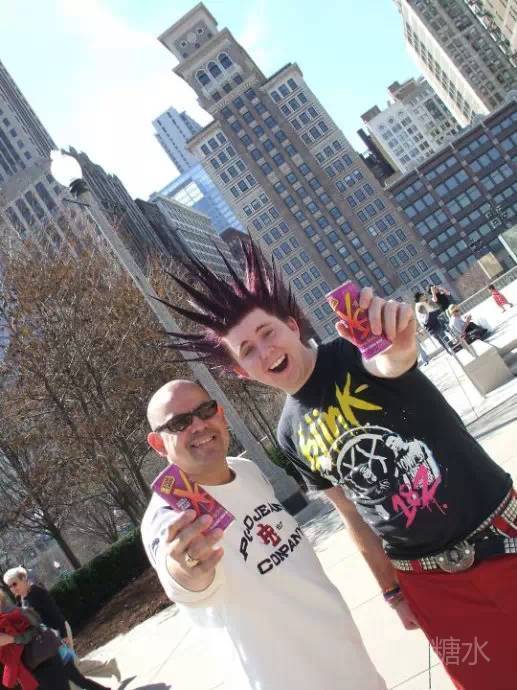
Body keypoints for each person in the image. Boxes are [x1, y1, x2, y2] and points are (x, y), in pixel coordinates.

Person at [161, 243, 517, 690]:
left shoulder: (354, 352)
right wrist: (391, 591)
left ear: (292, 326)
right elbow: (351, 512)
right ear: (241, 372)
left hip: (504, 539)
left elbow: (391, 361)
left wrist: (400, 343)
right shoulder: (289, 434)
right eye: (247, 350)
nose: (265, 351)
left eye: (268, 332)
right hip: (430, 586)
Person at [141, 379, 386, 690]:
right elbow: (185, 581)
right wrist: (184, 571)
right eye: (179, 423)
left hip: (349, 659)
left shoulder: (245, 469)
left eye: (205, 410)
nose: (199, 425)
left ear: (220, 413)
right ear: (159, 444)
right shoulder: (169, 517)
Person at [2, 568, 111, 690]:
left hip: (56, 638)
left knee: (76, 676)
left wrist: (63, 635)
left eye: (14, 584)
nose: (13, 588)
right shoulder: (22, 600)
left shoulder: (37, 593)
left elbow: (54, 613)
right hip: (48, 643)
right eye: (10, 586)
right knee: (76, 677)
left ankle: (109, 669)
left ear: (23, 579)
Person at [0, 588, 70, 690]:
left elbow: (36, 628)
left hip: (43, 657)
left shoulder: (15, 612)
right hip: (26, 669)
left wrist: (13, 639)